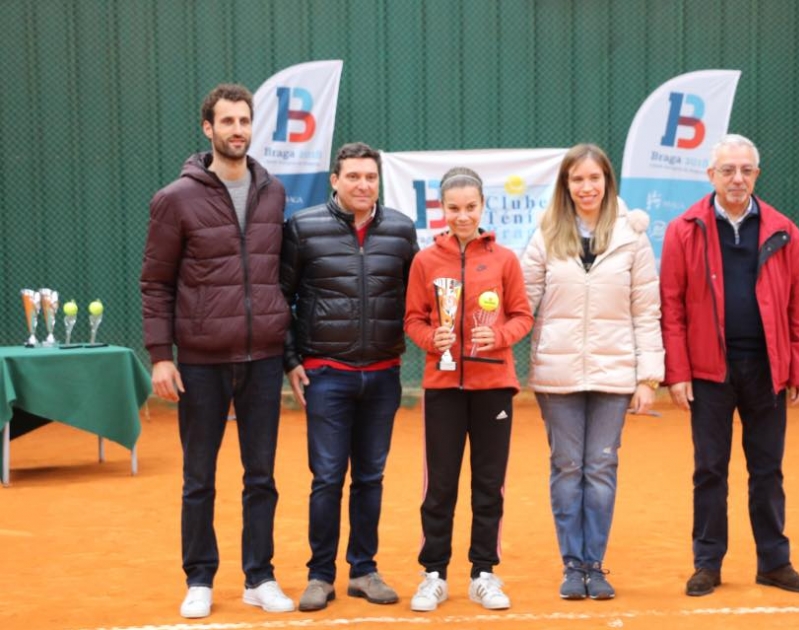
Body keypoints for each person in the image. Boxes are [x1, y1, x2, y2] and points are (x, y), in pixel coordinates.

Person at [140, 83, 294, 619]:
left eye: (244, 121)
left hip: (264, 359)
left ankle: (260, 577)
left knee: (262, 476)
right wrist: (161, 354)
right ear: (207, 128)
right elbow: (156, 282)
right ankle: (200, 578)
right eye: (226, 121)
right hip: (201, 361)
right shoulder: (174, 199)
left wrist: (290, 356)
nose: (237, 130)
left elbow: (281, 279)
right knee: (199, 477)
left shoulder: (273, 192)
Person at [660, 134, 799, 597]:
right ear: (710, 175)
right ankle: (707, 564)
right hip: (710, 372)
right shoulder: (683, 228)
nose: (737, 178)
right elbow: (671, 307)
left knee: (767, 470)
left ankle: (774, 562)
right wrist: (678, 371)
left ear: (756, 175)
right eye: (727, 170)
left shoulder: (784, 230)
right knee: (710, 468)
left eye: (746, 170)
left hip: (767, 370)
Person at [520, 144, 664, 600]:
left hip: (614, 375)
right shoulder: (545, 233)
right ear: (566, 185)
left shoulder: (632, 236)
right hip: (557, 375)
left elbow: (647, 310)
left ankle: (595, 566)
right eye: (577, 179)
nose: (586, 187)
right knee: (567, 467)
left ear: (608, 182)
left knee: (600, 467)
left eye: (594, 179)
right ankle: (571, 566)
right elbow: (520, 301)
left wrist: (648, 377)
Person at [280, 142, 419, 612]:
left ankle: (363, 570)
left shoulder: (401, 230)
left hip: (383, 376)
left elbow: (417, 297)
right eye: (353, 176)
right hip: (327, 375)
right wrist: (291, 360)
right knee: (327, 477)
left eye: (371, 177)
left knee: (371, 477)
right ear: (334, 181)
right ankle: (320, 576)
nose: (363, 185)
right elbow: (282, 296)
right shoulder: (303, 228)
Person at [403, 167, 534, 612]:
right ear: (442, 208)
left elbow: (522, 316)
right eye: (454, 208)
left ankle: (484, 573)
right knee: (439, 485)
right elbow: (413, 320)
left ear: (483, 206)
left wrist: (497, 337)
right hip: (442, 386)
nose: (462, 215)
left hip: (494, 385)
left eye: (471, 207)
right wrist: (429, 339)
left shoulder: (504, 259)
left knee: (488, 484)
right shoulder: (425, 261)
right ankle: (434, 574)